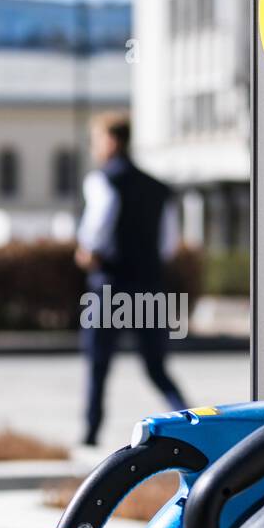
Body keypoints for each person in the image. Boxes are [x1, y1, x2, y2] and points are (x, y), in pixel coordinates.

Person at [76, 112, 187, 446]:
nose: (95, 149)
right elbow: (168, 244)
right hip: (149, 284)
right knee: (156, 366)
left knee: (98, 362)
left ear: (111, 141)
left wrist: (88, 251)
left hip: (110, 284)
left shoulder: (103, 181)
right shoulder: (158, 189)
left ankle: (91, 433)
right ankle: (187, 420)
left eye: (96, 141)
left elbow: (98, 224)